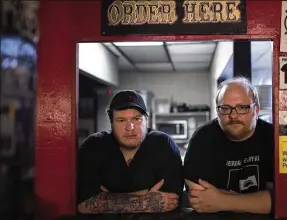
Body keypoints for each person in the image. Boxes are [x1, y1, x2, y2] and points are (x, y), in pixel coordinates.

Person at [77, 90, 183, 214]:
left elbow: (172, 200)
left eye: (136, 119)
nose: (130, 128)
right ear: (111, 123)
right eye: (121, 120)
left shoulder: (163, 144)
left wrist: (110, 198)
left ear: (146, 120)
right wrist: (145, 201)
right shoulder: (94, 145)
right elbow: (83, 205)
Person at [183, 76, 274, 214]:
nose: (233, 116)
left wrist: (221, 201)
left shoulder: (272, 137)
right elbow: (200, 200)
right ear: (218, 112)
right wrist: (257, 200)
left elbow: (280, 201)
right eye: (225, 108)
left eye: (242, 108)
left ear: (256, 111)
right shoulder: (202, 139)